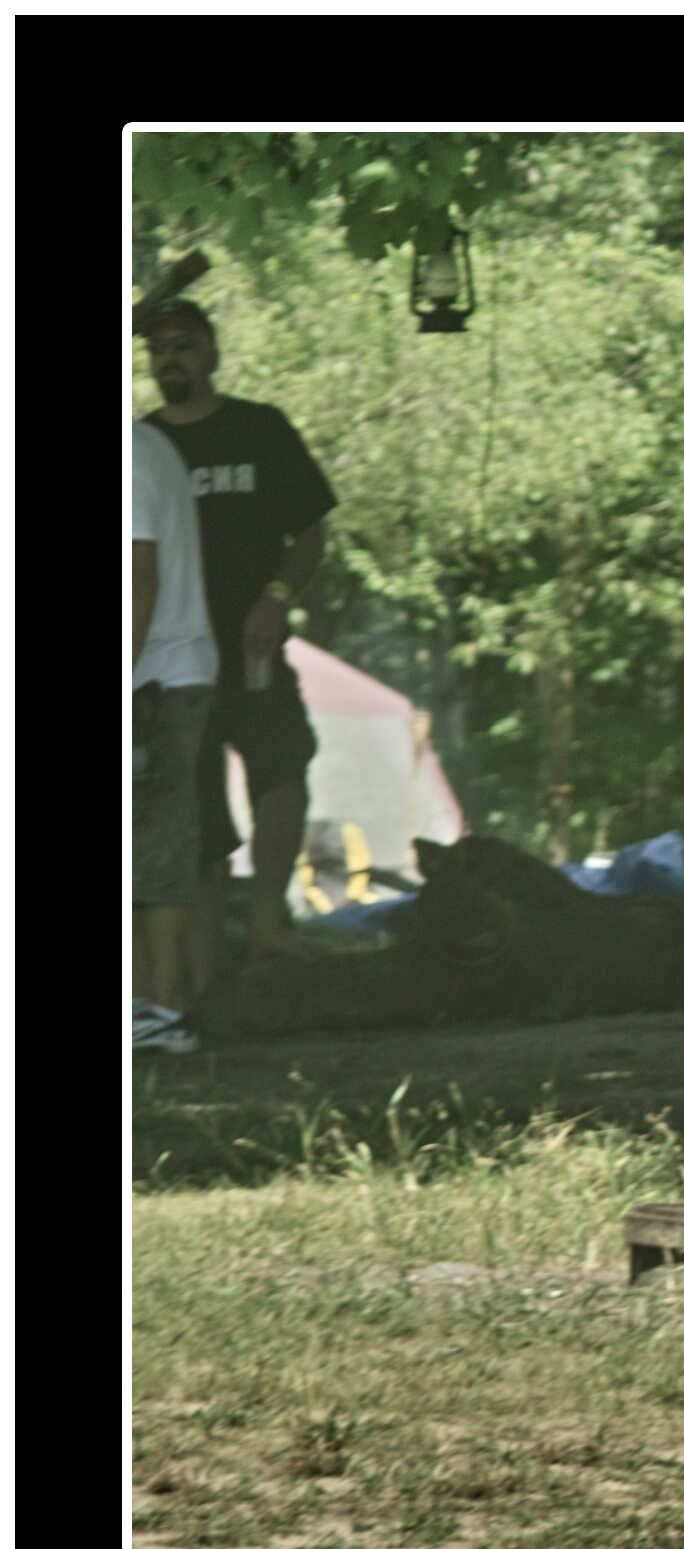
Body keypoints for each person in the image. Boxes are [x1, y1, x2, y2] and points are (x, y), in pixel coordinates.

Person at [137, 297, 339, 989]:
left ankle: (268, 923)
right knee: (191, 816)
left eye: (184, 345)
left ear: (214, 353)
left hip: (252, 644)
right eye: (158, 348)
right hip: (171, 660)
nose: (170, 358)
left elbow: (310, 531)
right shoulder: (144, 446)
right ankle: (200, 979)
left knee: (281, 771)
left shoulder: (260, 429)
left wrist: (277, 597)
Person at [131, 418, 220, 1054]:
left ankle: (162, 1007)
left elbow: (140, 575)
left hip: (157, 678)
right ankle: (147, 1004)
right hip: (159, 674)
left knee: (157, 839)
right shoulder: (148, 445)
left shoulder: (130, 454)